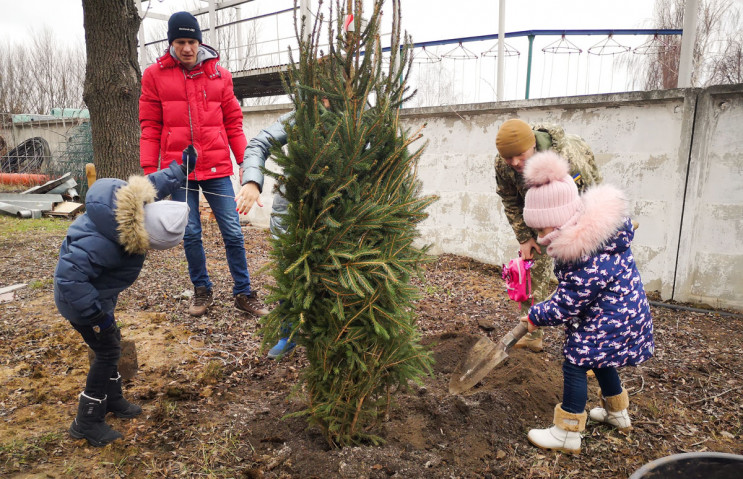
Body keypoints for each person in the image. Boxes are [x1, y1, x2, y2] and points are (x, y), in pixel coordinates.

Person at [518, 151, 654, 455]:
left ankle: (567, 432)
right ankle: (617, 413)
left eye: (541, 230)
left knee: (576, 362)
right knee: (600, 358)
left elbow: (567, 304)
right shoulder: (597, 236)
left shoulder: (583, 254)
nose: (539, 238)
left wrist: (535, 316)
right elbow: (576, 294)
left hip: (610, 318)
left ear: (558, 221)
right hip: (623, 312)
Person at [55, 153, 194, 447]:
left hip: (96, 298)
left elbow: (155, 182)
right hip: (80, 304)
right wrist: (97, 316)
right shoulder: (106, 243)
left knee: (111, 341)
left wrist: (181, 170)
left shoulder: (131, 203)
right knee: (107, 349)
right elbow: (70, 279)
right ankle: (87, 420)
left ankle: (112, 399)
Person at [139, 11, 267, 318]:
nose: (187, 48)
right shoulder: (154, 76)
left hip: (217, 168)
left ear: (200, 41)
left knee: (233, 232)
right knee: (191, 233)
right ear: (171, 43)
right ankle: (202, 288)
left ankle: (243, 292)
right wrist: (149, 176)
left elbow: (234, 124)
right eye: (180, 42)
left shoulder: (219, 75)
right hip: (179, 172)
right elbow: (150, 127)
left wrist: (247, 167)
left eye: (192, 41)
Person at [494, 118, 602, 352]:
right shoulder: (504, 164)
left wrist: (588, 237)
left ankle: (596, 349)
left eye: (520, 155)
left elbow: (591, 194)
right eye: (507, 158)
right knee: (529, 270)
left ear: (532, 144)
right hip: (538, 216)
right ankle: (533, 337)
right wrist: (524, 237)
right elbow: (509, 198)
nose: (514, 162)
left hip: (578, 211)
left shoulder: (566, 156)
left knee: (586, 279)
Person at [236, 111, 296, 359]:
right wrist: (252, 180)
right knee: (289, 274)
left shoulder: (361, 116)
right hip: (293, 207)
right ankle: (288, 335)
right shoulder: (301, 114)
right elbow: (259, 143)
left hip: (343, 216)